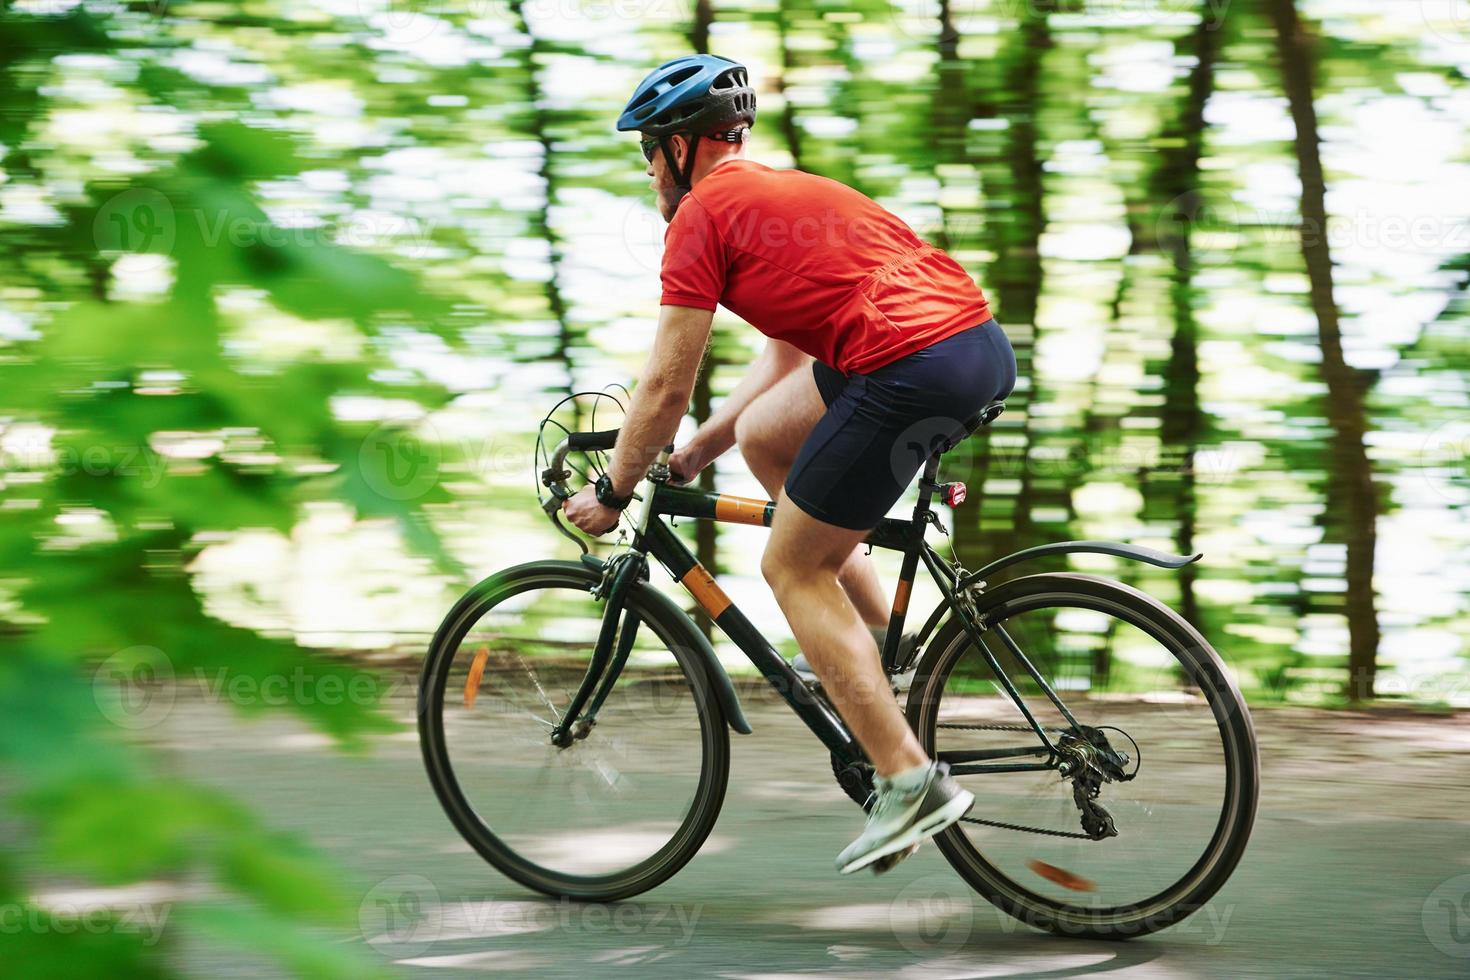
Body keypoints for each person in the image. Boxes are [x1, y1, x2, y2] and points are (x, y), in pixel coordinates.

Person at [562, 54, 1017, 875]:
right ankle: (875, 640)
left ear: (679, 147)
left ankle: (910, 782)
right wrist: (701, 449)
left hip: (908, 363)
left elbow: (666, 382)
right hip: (972, 348)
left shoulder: (702, 216)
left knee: (789, 565)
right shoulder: (783, 194)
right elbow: (781, 364)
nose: (648, 172)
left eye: (648, 150)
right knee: (772, 437)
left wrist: (615, 487)